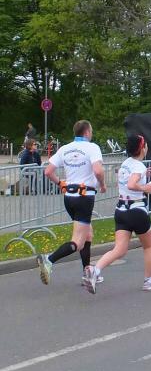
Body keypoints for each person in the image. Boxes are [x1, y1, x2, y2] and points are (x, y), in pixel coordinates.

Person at [83, 134, 151, 293]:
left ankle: (95, 271)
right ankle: (149, 280)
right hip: (137, 210)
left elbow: (128, 180)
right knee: (148, 246)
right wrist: (146, 188)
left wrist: (144, 176)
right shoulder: (139, 166)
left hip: (121, 211)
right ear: (142, 148)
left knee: (119, 249)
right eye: (146, 144)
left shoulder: (126, 164)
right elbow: (132, 184)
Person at [38, 120, 106, 285]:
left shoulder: (65, 148)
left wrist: (60, 183)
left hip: (69, 197)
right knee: (78, 241)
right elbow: (98, 170)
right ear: (87, 132)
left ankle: (87, 273)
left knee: (88, 234)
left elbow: (48, 171)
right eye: (91, 131)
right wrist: (103, 184)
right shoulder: (92, 147)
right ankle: (49, 259)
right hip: (84, 197)